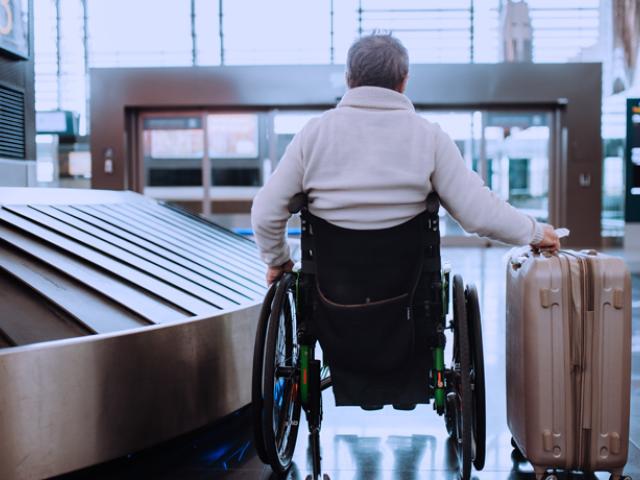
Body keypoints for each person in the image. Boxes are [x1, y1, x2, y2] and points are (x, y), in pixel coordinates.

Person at [251, 33, 560, 285]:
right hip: (409, 303)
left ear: (348, 79)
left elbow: (265, 212)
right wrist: (534, 231)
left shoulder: (313, 135)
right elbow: (478, 213)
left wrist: (279, 260)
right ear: (404, 80)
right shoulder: (430, 137)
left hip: (330, 303)